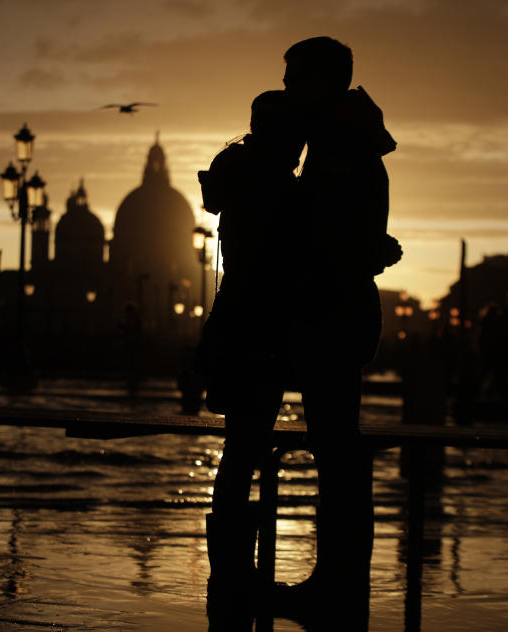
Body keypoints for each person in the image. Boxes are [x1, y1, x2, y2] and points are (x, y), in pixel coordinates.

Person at [277, 36, 399, 625]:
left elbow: (330, 236)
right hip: (341, 307)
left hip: (332, 311)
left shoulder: (338, 146)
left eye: (297, 78)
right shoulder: (344, 139)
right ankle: (337, 582)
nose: (287, 89)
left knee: (338, 455)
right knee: (338, 452)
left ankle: (336, 586)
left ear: (329, 82)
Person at [197, 89, 305, 621]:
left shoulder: (236, 168)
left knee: (237, 455)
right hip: (261, 328)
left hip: (231, 320)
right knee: (245, 450)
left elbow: (213, 200)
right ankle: (238, 577)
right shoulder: (279, 185)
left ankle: (231, 574)